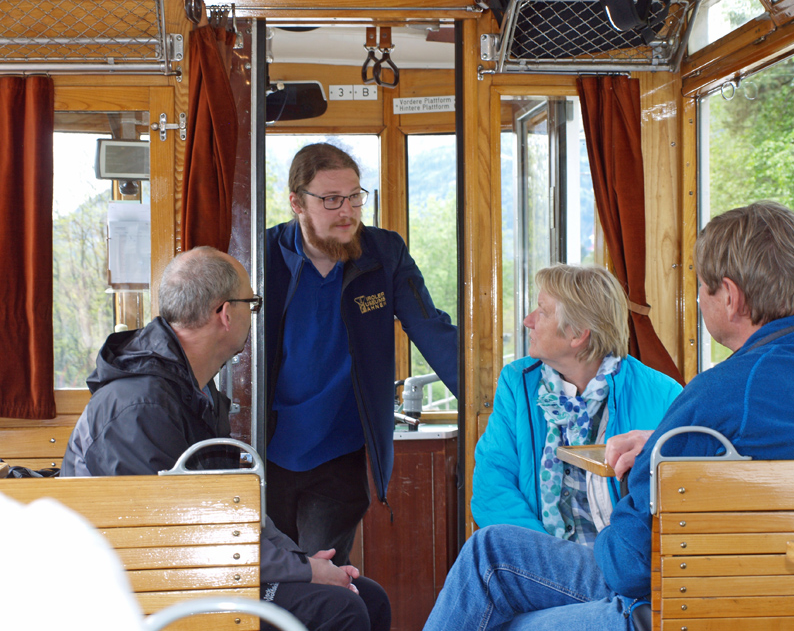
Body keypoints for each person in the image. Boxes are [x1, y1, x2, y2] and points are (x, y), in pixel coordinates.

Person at [422, 200, 794, 631]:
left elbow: (628, 564)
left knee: (489, 555)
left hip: (690, 607)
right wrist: (664, 445)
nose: (699, 300)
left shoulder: (718, 395)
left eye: (702, 288)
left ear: (731, 297)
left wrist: (649, 464)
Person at [62, 246, 390, 631]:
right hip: (152, 588)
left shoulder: (194, 392)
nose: (253, 317)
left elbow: (230, 509)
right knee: (340, 609)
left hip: (201, 565)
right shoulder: (141, 407)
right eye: (252, 304)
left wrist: (302, 563)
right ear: (225, 313)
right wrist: (302, 571)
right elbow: (172, 537)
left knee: (366, 596)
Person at [265, 143, 459, 566]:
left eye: (354, 196)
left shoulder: (383, 254)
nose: (348, 211)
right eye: (331, 199)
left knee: (326, 584)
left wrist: (497, 401)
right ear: (296, 202)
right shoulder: (260, 257)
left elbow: (432, 329)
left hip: (341, 452)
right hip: (267, 451)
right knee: (271, 585)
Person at [471, 264, 681, 541]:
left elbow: (680, 501)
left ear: (578, 333)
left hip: (624, 566)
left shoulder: (664, 394)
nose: (528, 320)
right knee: (481, 548)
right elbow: (492, 487)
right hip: (538, 560)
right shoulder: (516, 383)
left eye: (542, 311)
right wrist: (546, 560)